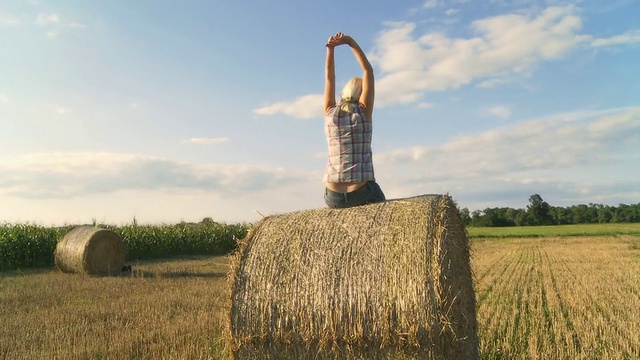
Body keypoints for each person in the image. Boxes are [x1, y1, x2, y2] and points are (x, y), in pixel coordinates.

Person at [323, 32, 385, 208]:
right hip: (361, 190)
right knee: (386, 221)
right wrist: (350, 42)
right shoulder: (364, 111)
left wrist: (331, 49)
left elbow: (329, 77)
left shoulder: (329, 112)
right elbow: (368, 71)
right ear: (361, 94)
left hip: (333, 193)